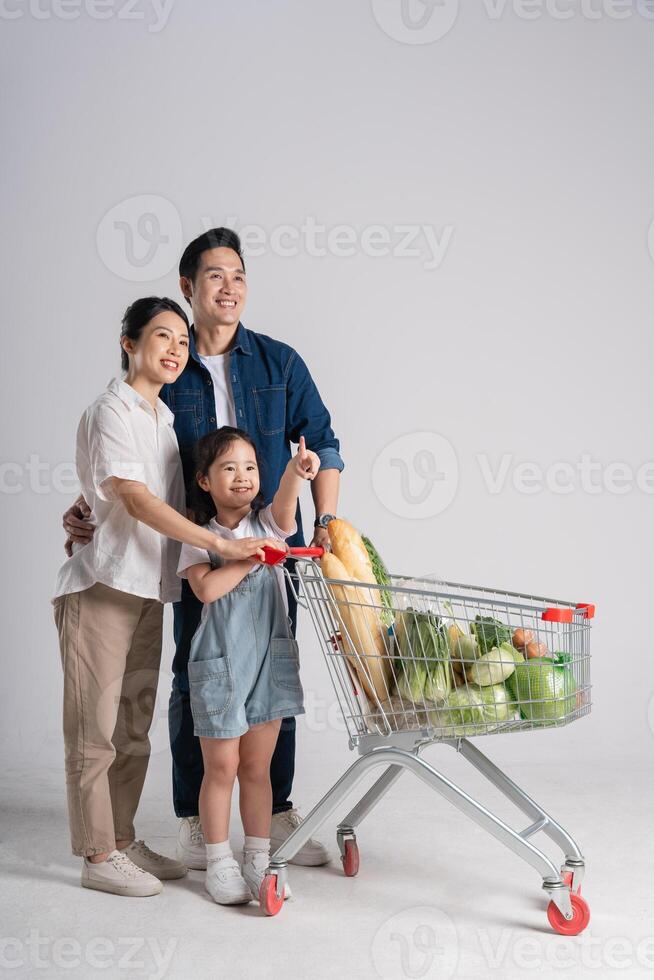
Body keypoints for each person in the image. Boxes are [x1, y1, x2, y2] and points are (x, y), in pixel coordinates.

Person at [63, 229, 344, 870]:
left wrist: (323, 522)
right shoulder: (168, 372)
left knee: (275, 673)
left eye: (239, 275)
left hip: (273, 550)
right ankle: (196, 818)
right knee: (198, 679)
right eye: (215, 276)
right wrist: (94, 505)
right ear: (188, 288)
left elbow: (324, 443)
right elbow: (136, 460)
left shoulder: (280, 363)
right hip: (194, 552)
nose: (230, 288)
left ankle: (272, 811)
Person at [53, 297, 285, 897]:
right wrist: (217, 544)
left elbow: (171, 504)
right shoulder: (112, 410)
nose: (177, 349)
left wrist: (87, 509)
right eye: (163, 336)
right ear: (128, 342)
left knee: (132, 728)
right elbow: (132, 498)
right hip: (101, 588)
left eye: (183, 340)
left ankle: (123, 839)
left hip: (148, 591)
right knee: (94, 730)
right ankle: (97, 853)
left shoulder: (163, 421)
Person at [177, 427, 319, 904]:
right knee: (221, 769)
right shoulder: (199, 537)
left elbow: (283, 508)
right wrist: (251, 559)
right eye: (229, 468)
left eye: (250, 467)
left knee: (257, 769)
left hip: (268, 663)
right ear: (204, 481)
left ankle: (257, 857)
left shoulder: (269, 524)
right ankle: (219, 860)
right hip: (220, 664)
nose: (242, 477)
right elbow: (206, 590)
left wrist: (293, 475)